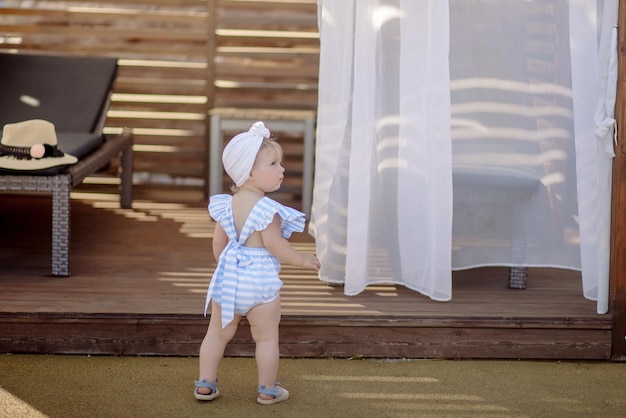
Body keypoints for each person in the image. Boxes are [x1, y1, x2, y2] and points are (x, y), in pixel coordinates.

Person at [194, 121, 320, 405]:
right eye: (274, 163)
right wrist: (303, 260)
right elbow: (276, 245)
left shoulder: (225, 205)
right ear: (249, 173)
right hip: (259, 285)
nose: (282, 169)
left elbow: (218, 244)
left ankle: (205, 384)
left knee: (216, 333)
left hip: (228, 282)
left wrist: (227, 267)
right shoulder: (267, 209)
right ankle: (267, 390)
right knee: (265, 339)